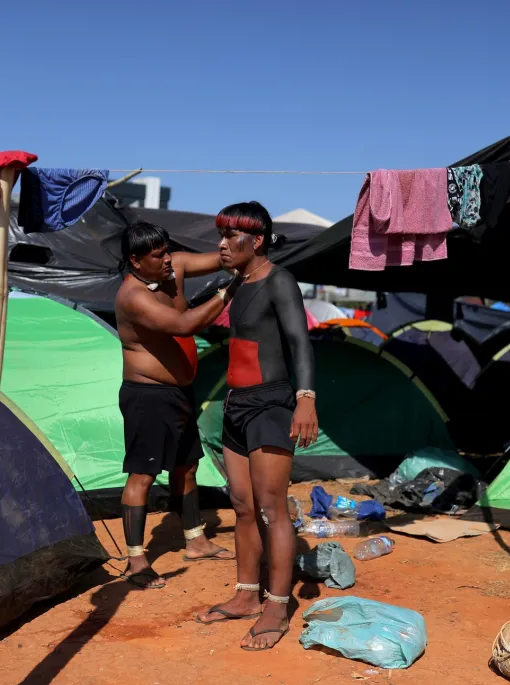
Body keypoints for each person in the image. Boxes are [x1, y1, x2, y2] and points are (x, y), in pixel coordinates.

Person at [194, 201, 318, 651]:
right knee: (242, 506)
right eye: (221, 235)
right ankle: (247, 595)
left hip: (271, 405)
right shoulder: (236, 284)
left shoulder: (279, 280)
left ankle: (277, 606)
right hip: (236, 406)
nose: (222, 244)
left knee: (272, 509)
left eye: (232, 236)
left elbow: (299, 342)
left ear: (258, 240)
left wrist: (305, 398)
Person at [114, 220, 243, 589]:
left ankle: (196, 540)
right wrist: (229, 290)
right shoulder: (133, 296)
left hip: (179, 393)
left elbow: (222, 259)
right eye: (158, 256)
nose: (168, 259)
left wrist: (243, 246)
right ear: (136, 261)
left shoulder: (176, 267)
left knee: (187, 466)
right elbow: (184, 325)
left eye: (167, 251)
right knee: (142, 475)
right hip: (147, 396)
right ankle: (136, 560)